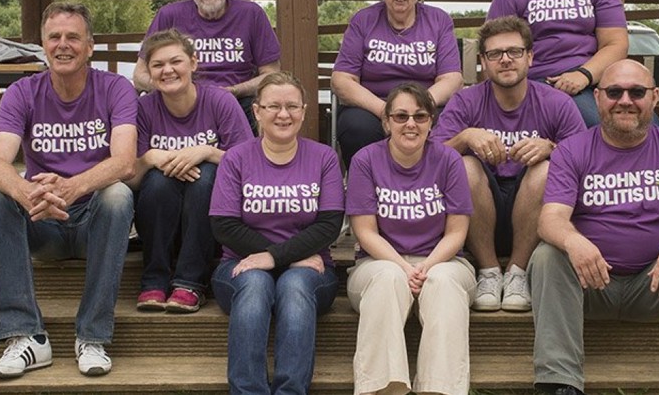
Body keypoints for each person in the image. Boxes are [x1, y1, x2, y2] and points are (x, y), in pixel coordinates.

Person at [530, 59, 659, 395]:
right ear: (597, 98)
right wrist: (575, 242)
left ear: (654, 97)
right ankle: (560, 382)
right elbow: (551, 218)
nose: (625, 101)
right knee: (547, 256)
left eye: (636, 92)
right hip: (590, 284)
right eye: (614, 92)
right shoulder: (572, 150)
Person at [0, 2, 137, 378]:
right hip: (42, 223)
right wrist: (27, 193)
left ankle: (92, 337)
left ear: (90, 46)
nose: (63, 44)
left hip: (92, 223)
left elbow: (126, 162)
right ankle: (26, 336)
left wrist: (72, 187)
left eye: (73, 37)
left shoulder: (115, 88)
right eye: (54, 37)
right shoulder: (22, 92)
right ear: (43, 45)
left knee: (118, 195)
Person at [433, 16, 586, 312]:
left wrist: (551, 147)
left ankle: (518, 272)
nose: (505, 60)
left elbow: (586, 160)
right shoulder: (465, 101)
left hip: (535, 214)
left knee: (546, 169)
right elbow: (430, 160)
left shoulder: (556, 102)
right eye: (495, 54)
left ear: (530, 57)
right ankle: (489, 271)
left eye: (514, 51)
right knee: (464, 165)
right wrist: (465, 137)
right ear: (483, 61)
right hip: (477, 214)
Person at [209, 71, 345, 394]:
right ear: (257, 111)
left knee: (294, 285)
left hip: (312, 272)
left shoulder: (323, 157)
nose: (284, 114)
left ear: (304, 111)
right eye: (273, 106)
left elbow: (328, 225)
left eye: (292, 106)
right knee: (256, 283)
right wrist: (284, 257)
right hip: (240, 267)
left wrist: (274, 257)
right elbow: (224, 225)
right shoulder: (236, 158)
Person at [346, 83, 476, 395]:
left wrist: (426, 266)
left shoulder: (449, 160)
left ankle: (440, 390)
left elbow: (457, 232)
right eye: (401, 116)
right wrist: (404, 268)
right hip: (378, 262)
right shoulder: (365, 160)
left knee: (443, 283)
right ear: (386, 122)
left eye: (420, 116)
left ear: (431, 121)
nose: (410, 124)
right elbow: (365, 232)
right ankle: (384, 389)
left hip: (443, 260)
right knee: (388, 278)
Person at [126, 29, 252, 313]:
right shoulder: (143, 108)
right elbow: (130, 178)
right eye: (158, 65)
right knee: (157, 180)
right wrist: (150, 157)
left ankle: (190, 282)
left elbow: (248, 166)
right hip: (159, 218)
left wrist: (207, 152)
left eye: (176, 61)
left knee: (205, 175)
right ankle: (154, 280)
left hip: (207, 222)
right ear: (149, 72)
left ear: (193, 63)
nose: (167, 70)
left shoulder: (220, 101)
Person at [331, 0, 463, 169]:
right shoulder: (363, 21)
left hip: (426, 105)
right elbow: (342, 80)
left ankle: (430, 184)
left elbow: (452, 79)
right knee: (356, 127)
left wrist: (416, 110)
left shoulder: (439, 21)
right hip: (374, 108)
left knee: (447, 125)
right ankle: (369, 183)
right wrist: (386, 111)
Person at [133, 0, 281, 135]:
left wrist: (233, 91)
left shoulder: (252, 14)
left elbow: (271, 74)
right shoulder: (169, 15)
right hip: (178, 104)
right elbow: (139, 75)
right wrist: (174, 89)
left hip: (238, 102)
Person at [487, 0, 628, 127]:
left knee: (646, 124)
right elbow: (493, 42)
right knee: (603, 125)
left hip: (589, 78)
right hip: (536, 79)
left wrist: (583, 75)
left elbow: (616, 43)